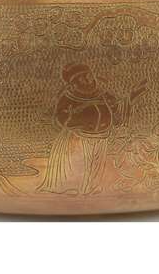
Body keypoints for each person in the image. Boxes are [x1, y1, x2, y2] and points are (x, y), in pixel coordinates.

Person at [38, 63, 147, 195]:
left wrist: (131, 98)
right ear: (74, 83)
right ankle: (70, 188)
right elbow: (61, 118)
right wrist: (79, 119)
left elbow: (117, 113)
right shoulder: (68, 98)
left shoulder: (103, 95)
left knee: (96, 167)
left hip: (101, 137)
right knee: (77, 166)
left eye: (89, 76)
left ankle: (91, 188)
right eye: (83, 77)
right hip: (78, 139)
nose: (88, 79)